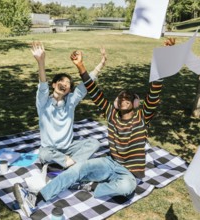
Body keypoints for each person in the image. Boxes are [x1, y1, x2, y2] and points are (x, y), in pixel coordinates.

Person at [14, 39, 175, 217]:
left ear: (136, 103)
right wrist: (81, 65)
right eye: (120, 96)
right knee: (77, 169)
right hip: (109, 162)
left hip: (128, 171)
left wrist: (164, 57)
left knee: (128, 187)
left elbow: (154, 91)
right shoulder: (110, 113)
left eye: (128, 96)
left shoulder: (142, 116)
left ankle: (93, 186)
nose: (123, 97)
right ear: (115, 102)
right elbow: (91, 88)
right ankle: (35, 198)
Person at [32, 42, 105, 169]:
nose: (64, 84)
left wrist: (101, 64)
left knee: (94, 143)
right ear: (54, 85)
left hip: (69, 148)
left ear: (69, 90)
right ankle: (71, 162)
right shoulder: (43, 103)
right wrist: (41, 61)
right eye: (61, 81)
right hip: (50, 150)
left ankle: (68, 162)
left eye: (68, 83)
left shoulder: (70, 101)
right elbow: (43, 86)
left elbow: (86, 85)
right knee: (44, 154)